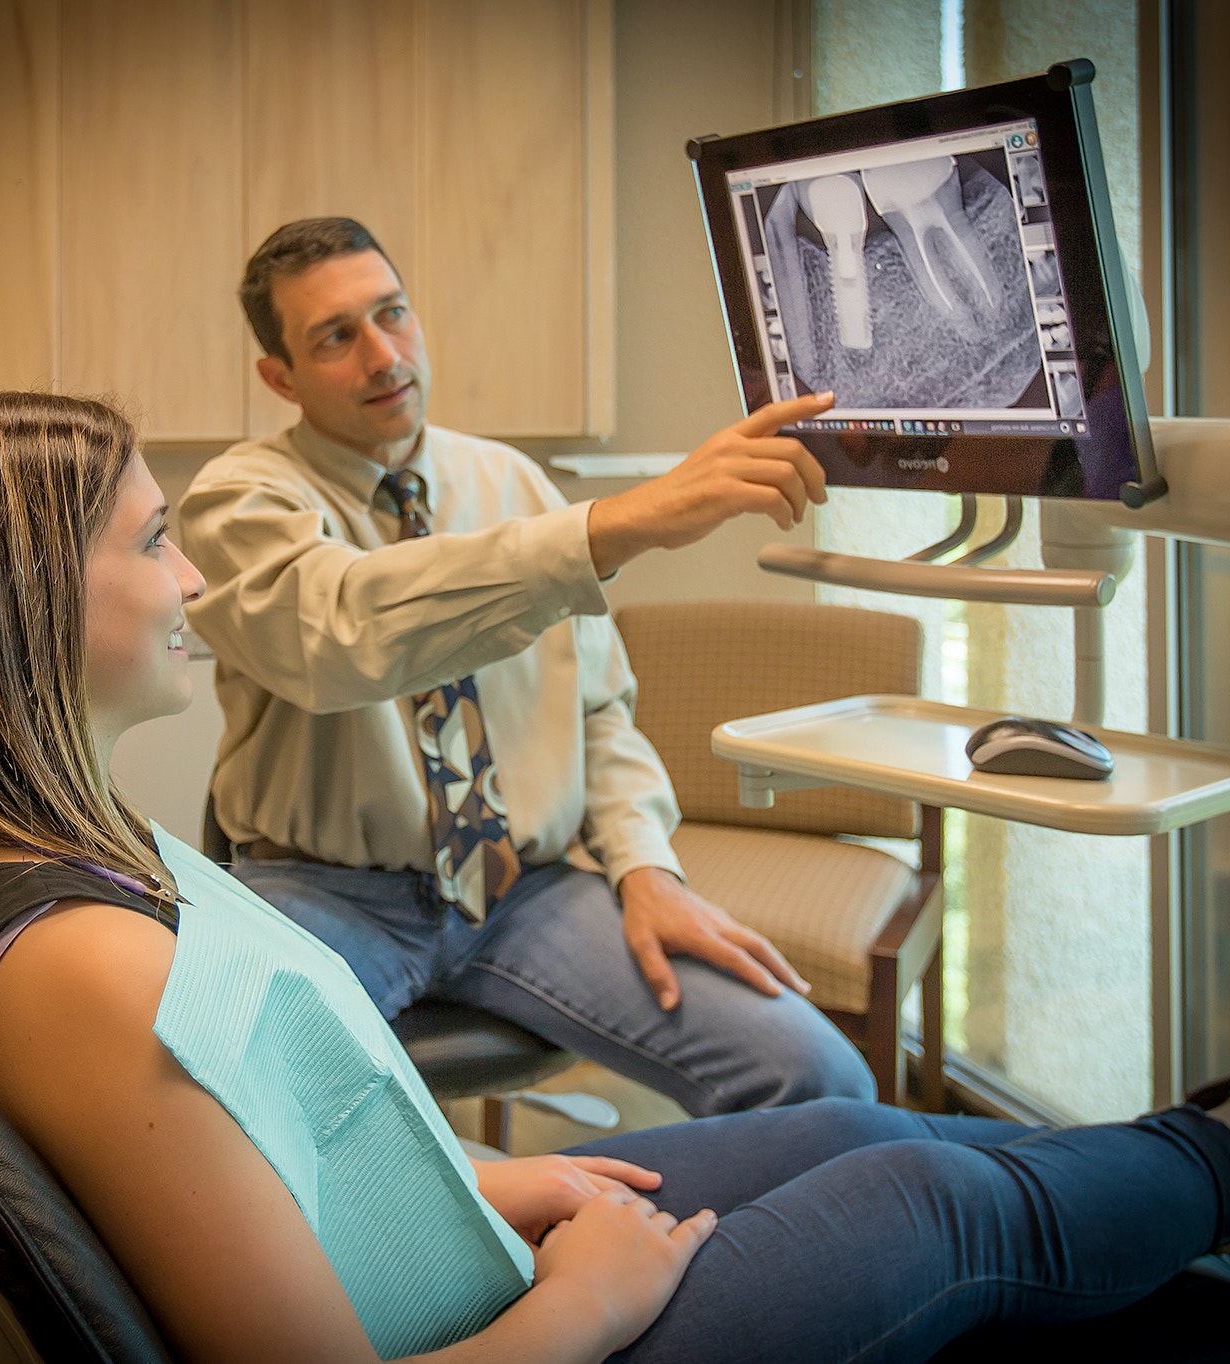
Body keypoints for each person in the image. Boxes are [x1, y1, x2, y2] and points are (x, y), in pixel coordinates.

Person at [0, 390, 1230, 1363]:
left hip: (507, 948)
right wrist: (585, 1298)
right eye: (150, 543)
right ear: (14, 600)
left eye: (392, 311)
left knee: (850, 1114)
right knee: (933, 1198)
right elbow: (340, 621)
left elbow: (284, 1139)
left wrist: (487, 1168)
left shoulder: (53, 856)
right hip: (484, 1275)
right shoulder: (84, 962)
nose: (187, 574)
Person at [179, 216, 873, 1117]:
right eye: (335, 338)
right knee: (204, 1104)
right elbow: (344, 632)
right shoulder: (238, 501)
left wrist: (645, 868)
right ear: (281, 376)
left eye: (392, 314)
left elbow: (599, 711)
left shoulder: (513, 485)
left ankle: (648, 1215)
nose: (384, 356)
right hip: (324, 892)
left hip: (524, 892)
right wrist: (615, 526)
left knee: (817, 1078)